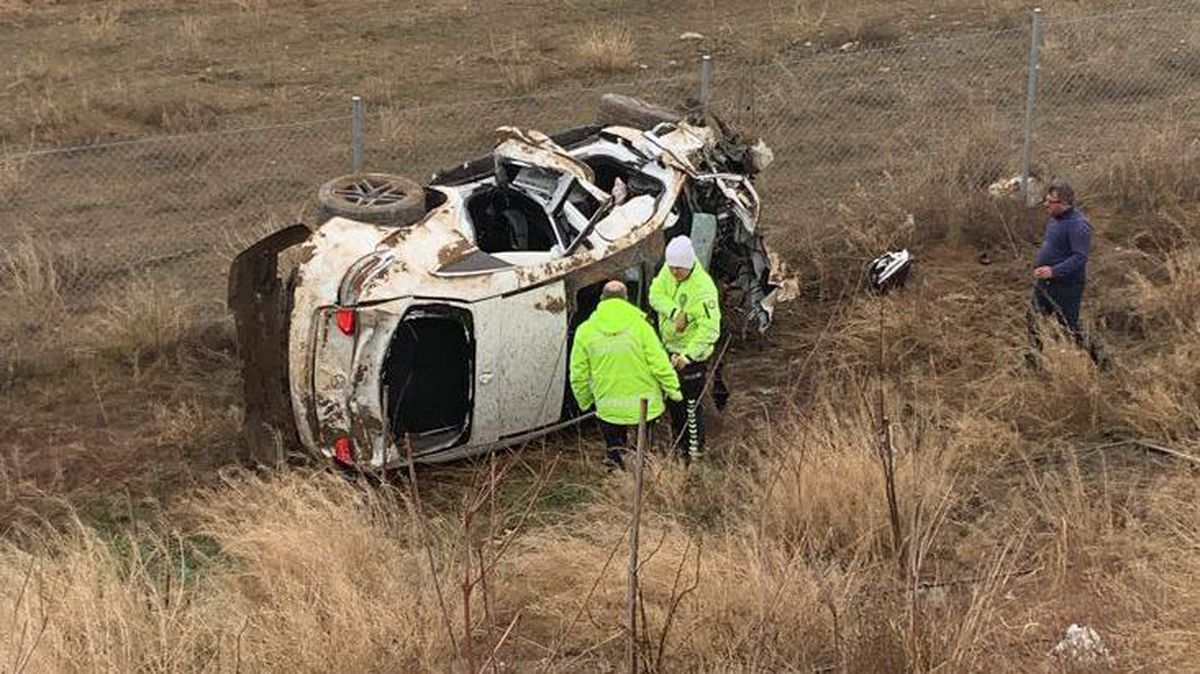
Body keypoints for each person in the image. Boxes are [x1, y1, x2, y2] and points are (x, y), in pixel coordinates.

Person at [569, 280, 682, 469]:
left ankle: (616, 481)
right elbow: (659, 364)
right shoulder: (641, 327)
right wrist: (674, 391)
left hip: (608, 406)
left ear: (601, 299)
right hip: (644, 406)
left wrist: (585, 400)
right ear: (626, 298)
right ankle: (647, 484)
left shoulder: (585, 331)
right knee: (645, 454)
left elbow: (578, 373)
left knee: (615, 453)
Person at [649, 235, 722, 461]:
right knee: (674, 401)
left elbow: (710, 329)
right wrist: (674, 312)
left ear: (689, 265)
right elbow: (655, 295)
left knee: (690, 405)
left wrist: (687, 356)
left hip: (692, 356)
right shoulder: (668, 272)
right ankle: (678, 447)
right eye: (671, 268)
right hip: (669, 349)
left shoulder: (704, 290)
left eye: (678, 269)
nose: (674, 273)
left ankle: (695, 451)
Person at [1027, 180, 1108, 369]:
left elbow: (1079, 257)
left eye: (1050, 201)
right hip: (1044, 283)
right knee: (1034, 318)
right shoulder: (1055, 218)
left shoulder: (1079, 225)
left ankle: (1102, 361)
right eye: (1045, 200)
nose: (1045, 204)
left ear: (1064, 203)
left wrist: (1054, 270)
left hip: (1066, 285)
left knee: (1069, 327)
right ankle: (1033, 363)